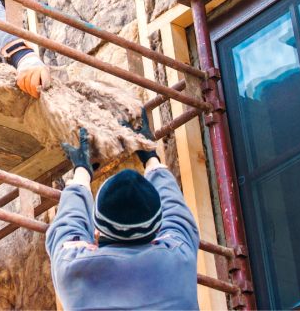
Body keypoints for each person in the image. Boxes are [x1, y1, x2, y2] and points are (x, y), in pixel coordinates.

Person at [47, 113, 200, 310]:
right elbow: (176, 213)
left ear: (97, 230)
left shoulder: (71, 269)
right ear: (157, 228)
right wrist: (151, 157)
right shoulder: (179, 258)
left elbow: (67, 226)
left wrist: (82, 170)